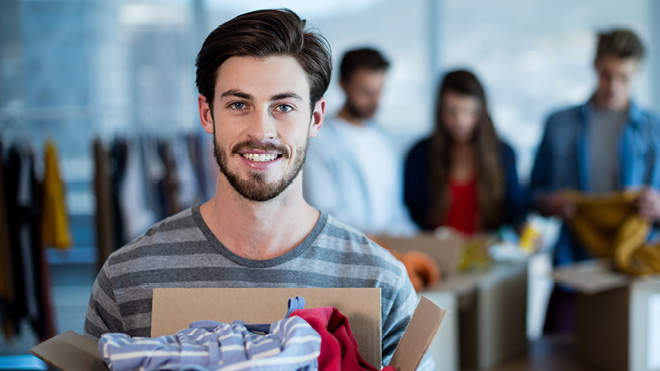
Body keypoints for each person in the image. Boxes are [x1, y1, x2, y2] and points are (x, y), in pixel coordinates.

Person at [83, 9, 433, 369]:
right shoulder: (127, 279)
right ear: (207, 114)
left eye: (283, 106)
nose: (261, 132)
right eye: (238, 104)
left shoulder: (380, 282)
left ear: (315, 118)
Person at [530, 29, 660, 332]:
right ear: (594, 66)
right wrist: (551, 204)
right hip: (572, 260)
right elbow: (532, 194)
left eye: (624, 77)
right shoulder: (559, 124)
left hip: (631, 264)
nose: (613, 85)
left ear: (638, 72)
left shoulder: (655, 131)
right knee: (555, 351)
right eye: (606, 75)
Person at [303, 48, 416, 236]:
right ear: (343, 85)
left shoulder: (385, 140)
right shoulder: (320, 140)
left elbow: (394, 212)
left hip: (387, 252)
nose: (374, 100)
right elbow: (323, 211)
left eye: (379, 91)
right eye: (365, 92)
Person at [404, 70, 526, 235]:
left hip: (487, 253)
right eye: (451, 112)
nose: (461, 121)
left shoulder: (503, 153)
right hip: (434, 253)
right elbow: (411, 214)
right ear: (439, 111)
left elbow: (514, 211)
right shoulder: (419, 155)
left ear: (482, 112)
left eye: (470, 112)